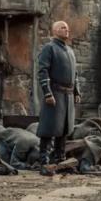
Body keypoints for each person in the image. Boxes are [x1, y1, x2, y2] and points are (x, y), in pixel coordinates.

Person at [36, 21, 80, 176]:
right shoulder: (49, 48)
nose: (66, 29)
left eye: (67, 28)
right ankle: (44, 163)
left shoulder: (70, 51)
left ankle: (60, 160)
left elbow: (75, 74)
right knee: (49, 129)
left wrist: (77, 92)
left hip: (68, 95)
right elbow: (43, 71)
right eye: (62, 27)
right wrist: (47, 93)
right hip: (55, 94)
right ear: (54, 31)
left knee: (64, 130)